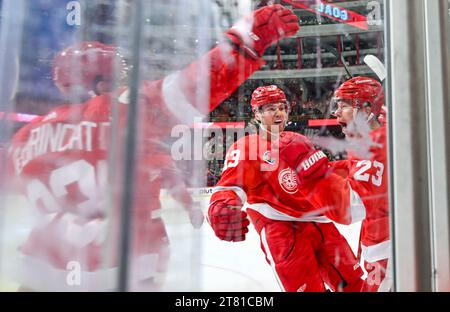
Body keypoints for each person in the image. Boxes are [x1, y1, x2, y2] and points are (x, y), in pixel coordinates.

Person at [5, 4, 300, 291]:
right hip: (120, 266)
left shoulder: (27, 135)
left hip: (41, 266)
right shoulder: (122, 110)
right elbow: (194, 87)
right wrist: (247, 40)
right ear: (100, 77)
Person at [207, 85, 365, 292]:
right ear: (257, 113)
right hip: (282, 232)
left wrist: (357, 167)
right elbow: (229, 186)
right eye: (271, 108)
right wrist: (221, 206)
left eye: (282, 107)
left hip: (321, 224)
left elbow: (321, 172)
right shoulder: (247, 147)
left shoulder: (297, 140)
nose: (279, 112)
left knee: (355, 285)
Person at [282, 76, 390, 291]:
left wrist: (312, 171)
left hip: (388, 252)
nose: (336, 112)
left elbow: (351, 209)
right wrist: (334, 169)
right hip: (388, 243)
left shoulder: (373, 144)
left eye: (345, 105)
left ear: (366, 110)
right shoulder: (382, 134)